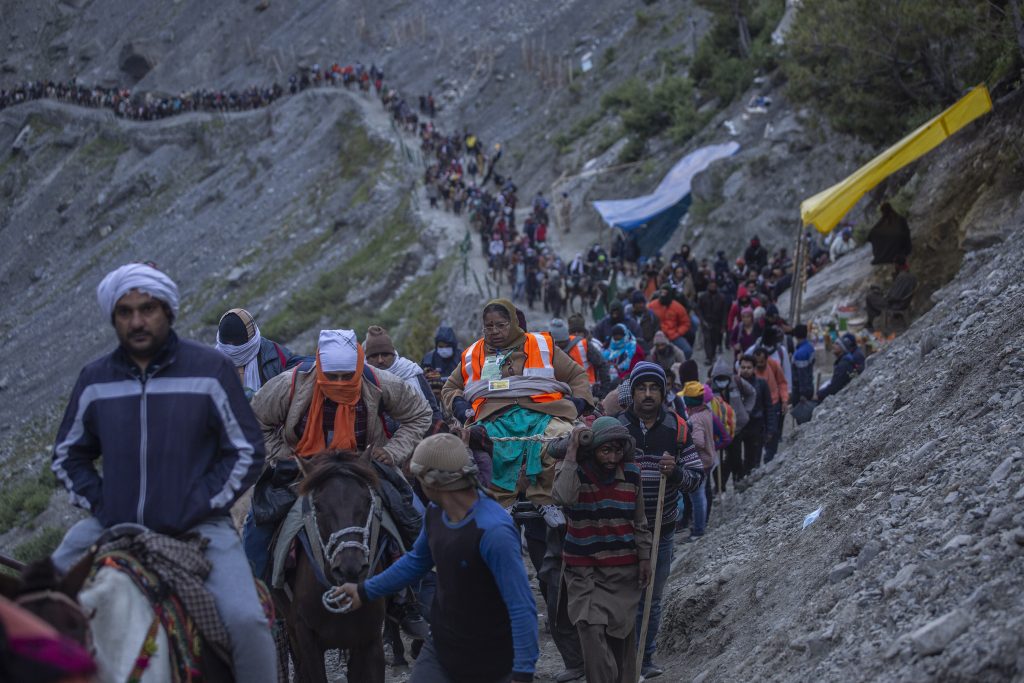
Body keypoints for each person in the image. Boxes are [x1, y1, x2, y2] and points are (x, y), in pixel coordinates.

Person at [50, 263, 276, 682]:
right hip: (111, 525)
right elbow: (68, 455)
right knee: (40, 605)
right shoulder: (94, 380)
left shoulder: (209, 371)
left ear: (168, 311)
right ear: (114, 317)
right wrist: (103, 503)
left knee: (248, 624)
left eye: (148, 308)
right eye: (125, 311)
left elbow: (246, 450)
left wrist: (198, 503)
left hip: (200, 529)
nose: (137, 320)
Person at [334, 433, 539, 683]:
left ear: (429, 482)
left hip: (491, 661)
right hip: (442, 648)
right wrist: (364, 591)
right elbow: (415, 562)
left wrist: (523, 673)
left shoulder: (493, 531)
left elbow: (521, 606)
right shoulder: (436, 512)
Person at [244, 329, 432, 577]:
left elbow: (420, 413)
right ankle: (263, 594)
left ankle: (413, 600)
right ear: (320, 368)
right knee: (256, 527)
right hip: (304, 470)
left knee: (416, 520)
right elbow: (254, 421)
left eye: (348, 376)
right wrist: (285, 456)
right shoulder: (290, 384)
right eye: (332, 376)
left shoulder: (377, 382)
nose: (340, 383)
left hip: (365, 468)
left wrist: (392, 451)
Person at [442, 299, 595, 526]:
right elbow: (450, 387)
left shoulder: (542, 344)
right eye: (489, 326)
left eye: (501, 325)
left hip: (543, 413)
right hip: (493, 416)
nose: (494, 331)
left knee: (561, 436)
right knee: (485, 445)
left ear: (513, 323)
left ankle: (545, 499)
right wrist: (460, 406)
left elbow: (577, 375)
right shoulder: (472, 353)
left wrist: (579, 402)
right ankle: (502, 502)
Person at [616, 363, 703, 677]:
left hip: (660, 531)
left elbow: (696, 478)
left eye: (654, 388)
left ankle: (645, 658)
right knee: (621, 598)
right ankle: (621, 658)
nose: (648, 394)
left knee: (650, 599)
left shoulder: (677, 428)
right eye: (642, 388)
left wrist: (676, 472)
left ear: (664, 393)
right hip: (621, 531)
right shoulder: (616, 427)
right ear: (634, 392)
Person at [552, 418, 652, 683]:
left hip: (622, 571)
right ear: (593, 449)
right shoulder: (576, 472)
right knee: (590, 628)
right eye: (605, 450)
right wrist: (572, 452)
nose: (611, 457)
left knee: (621, 638)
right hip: (583, 571)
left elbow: (640, 521)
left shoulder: (631, 473)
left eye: (617, 450)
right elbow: (562, 497)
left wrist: (644, 558)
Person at [215, 307, 301, 398]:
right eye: (227, 345)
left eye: (235, 343)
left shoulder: (276, 356)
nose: (231, 349)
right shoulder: (212, 363)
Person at [364, 325, 442, 423]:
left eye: (385, 355)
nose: (380, 360)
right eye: (374, 356)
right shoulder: (363, 378)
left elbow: (433, 409)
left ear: (393, 355)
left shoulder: (410, 371)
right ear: (367, 359)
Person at [710, 358, 755, 491]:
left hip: (736, 428)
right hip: (717, 432)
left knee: (735, 456)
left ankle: (738, 481)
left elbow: (751, 393)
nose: (722, 381)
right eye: (719, 378)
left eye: (724, 378)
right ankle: (719, 486)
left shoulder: (737, 382)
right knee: (717, 460)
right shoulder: (709, 387)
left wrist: (746, 412)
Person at [548, 318, 610, 399]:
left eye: (561, 343)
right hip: (560, 392)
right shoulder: (548, 348)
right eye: (556, 344)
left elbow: (602, 364)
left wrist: (604, 390)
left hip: (587, 391)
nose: (558, 347)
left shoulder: (583, 344)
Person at [751, 346, 788, 463]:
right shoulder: (750, 370)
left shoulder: (774, 365)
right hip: (757, 407)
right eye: (757, 362)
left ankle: (769, 460)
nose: (759, 364)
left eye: (762, 362)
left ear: (766, 359)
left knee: (774, 432)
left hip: (774, 404)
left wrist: (785, 400)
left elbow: (782, 383)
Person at [736, 355, 770, 478]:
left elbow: (768, 407)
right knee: (736, 458)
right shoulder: (734, 385)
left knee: (753, 458)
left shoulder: (761, 384)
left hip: (756, 425)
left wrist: (770, 429)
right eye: (743, 367)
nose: (745, 370)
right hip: (739, 428)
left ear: (754, 369)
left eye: (748, 367)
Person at [865, 257, 917, 329]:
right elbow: (900, 291)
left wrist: (884, 295)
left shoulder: (902, 277)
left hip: (895, 305)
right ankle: (874, 320)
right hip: (903, 302)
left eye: (895, 265)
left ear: (897, 265)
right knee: (875, 294)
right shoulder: (911, 276)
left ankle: (871, 324)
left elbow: (894, 296)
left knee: (869, 297)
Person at [817, 333, 865, 401]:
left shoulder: (843, 365)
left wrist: (819, 394)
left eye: (837, 344)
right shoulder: (844, 361)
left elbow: (834, 387)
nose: (833, 346)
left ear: (843, 348)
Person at [647, 286, 691, 359]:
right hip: (656, 336)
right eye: (662, 292)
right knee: (648, 353)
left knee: (687, 351)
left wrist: (678, 332)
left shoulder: (678, 307)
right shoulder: (652, 305)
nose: (663, 295)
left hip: (673, 335)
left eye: (665, 293)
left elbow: (685, 323)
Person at [696, 279, 728, 364]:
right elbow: (699, 309)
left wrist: (723, 325)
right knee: (707, 339)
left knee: (714, 339)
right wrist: (702, 320)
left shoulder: (721, 297)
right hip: (706, 321)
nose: (712, 287)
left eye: (714, 285)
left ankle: (712, 355)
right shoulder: (703, 297)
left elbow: (724, 312)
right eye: (711, 285)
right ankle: (708, 356)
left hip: (717, 321)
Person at [790, 324, 816, 404]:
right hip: (809, 385)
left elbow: (802, 375)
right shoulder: (809, 347)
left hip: (800, 391)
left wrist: (803, 394)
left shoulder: (800, 354)